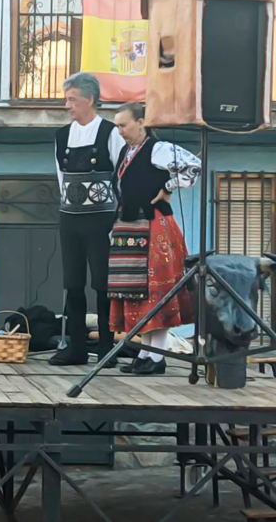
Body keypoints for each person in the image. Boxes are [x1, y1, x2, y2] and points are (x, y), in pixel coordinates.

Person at [109, 103, 200, 375]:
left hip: (153, 226)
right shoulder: (127, 152)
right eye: (117, 126)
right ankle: (146, 354)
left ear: (142, 123)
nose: (120, 131)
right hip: (131, 227)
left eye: (124, 125)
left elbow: (194, 165)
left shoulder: (158, 149)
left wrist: (168, 187)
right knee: (138, 292)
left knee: (154, 291)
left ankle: (156, 358)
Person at [50, 73, 126, 367]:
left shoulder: (111, 133)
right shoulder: (60, 137)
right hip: (70, 219)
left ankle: (107, 347)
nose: (67, 105)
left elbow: (121, 176)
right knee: (72, 282)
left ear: (90, 100)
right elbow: (61, 179)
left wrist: (118, 219)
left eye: (72, 99)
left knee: (103, 284)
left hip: (103, 220)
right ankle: (77, 346)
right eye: (66, 99)